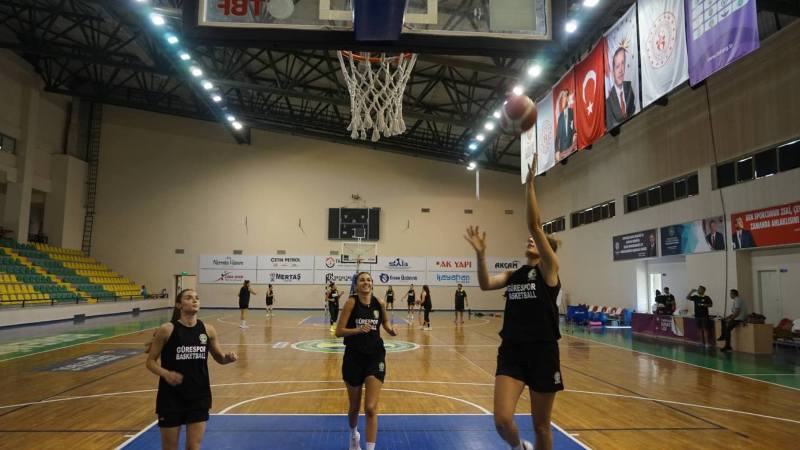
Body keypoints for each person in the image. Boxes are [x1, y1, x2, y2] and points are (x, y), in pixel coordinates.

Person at [464, 159, 562, 450]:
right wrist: (481, 256)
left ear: (547, 250)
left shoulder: (549, 271)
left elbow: (534, 224)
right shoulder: (514, 274)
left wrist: (530, 184)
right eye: (530, 239)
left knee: (542, 426)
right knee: (502, 419)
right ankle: (519, 447)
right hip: (512, 350)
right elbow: (485, 284)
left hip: (543, 351)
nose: (531, 239)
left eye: (537, 240)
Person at [146, 289, 237, 450]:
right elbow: (150, 362)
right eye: (188, 298)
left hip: (199, 395)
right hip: (171, 397)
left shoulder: (208, 330)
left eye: (197, 298)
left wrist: (227, 358)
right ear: (179, 305)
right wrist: (166, 373)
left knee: (193, 447)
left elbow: (219, 358)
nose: (194, 300)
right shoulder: (167, 329)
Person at [335, 272, 397, 450]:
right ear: (356, 285)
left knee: (370, 407)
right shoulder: (351, 302)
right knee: (354, 407)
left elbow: (385, 322)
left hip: (375, 356)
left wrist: (390, 330)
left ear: (372, 283)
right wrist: (358, 329)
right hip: (353, 357)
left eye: (368, 280)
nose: (366, 282)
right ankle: (354, 435)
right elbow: (339, 331)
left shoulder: (380, 303)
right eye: (362, 280)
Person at [605, 47, 636, 128]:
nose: (621, 70)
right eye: (617, 66)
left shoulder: (630, 87)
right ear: (613, 72)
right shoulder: (608, 101)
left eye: (623, 64)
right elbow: (611, 124)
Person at [554, 90, 575, 161]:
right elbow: (557, 137)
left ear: (568, 98)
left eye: (564, 96)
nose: (562, 99)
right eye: (562, 97)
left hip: (572, 149)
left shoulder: (572, 112)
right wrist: (557, 151)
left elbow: (575, 131)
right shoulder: (560, 117)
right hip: (562, 153)